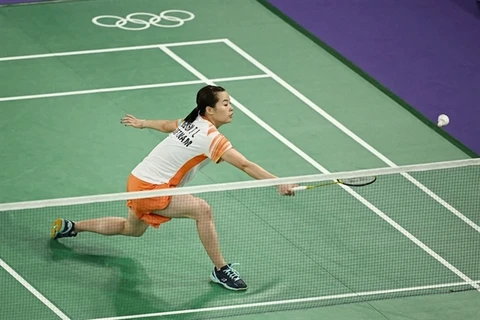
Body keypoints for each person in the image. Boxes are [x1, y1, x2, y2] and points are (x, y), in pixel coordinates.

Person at [51, 85, 296, 291]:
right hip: (151, 187)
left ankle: (72, 227)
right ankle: (221, 270)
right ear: (209, 110)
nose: (231, 107)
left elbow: (169, 125)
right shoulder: (210, 136)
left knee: (131, 229)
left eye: (230, 102)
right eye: (225, 103)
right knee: (202, 210)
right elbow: (244, 164)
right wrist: (278, 182)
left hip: (137, 179)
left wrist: (143, 123)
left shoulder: (193, 120)